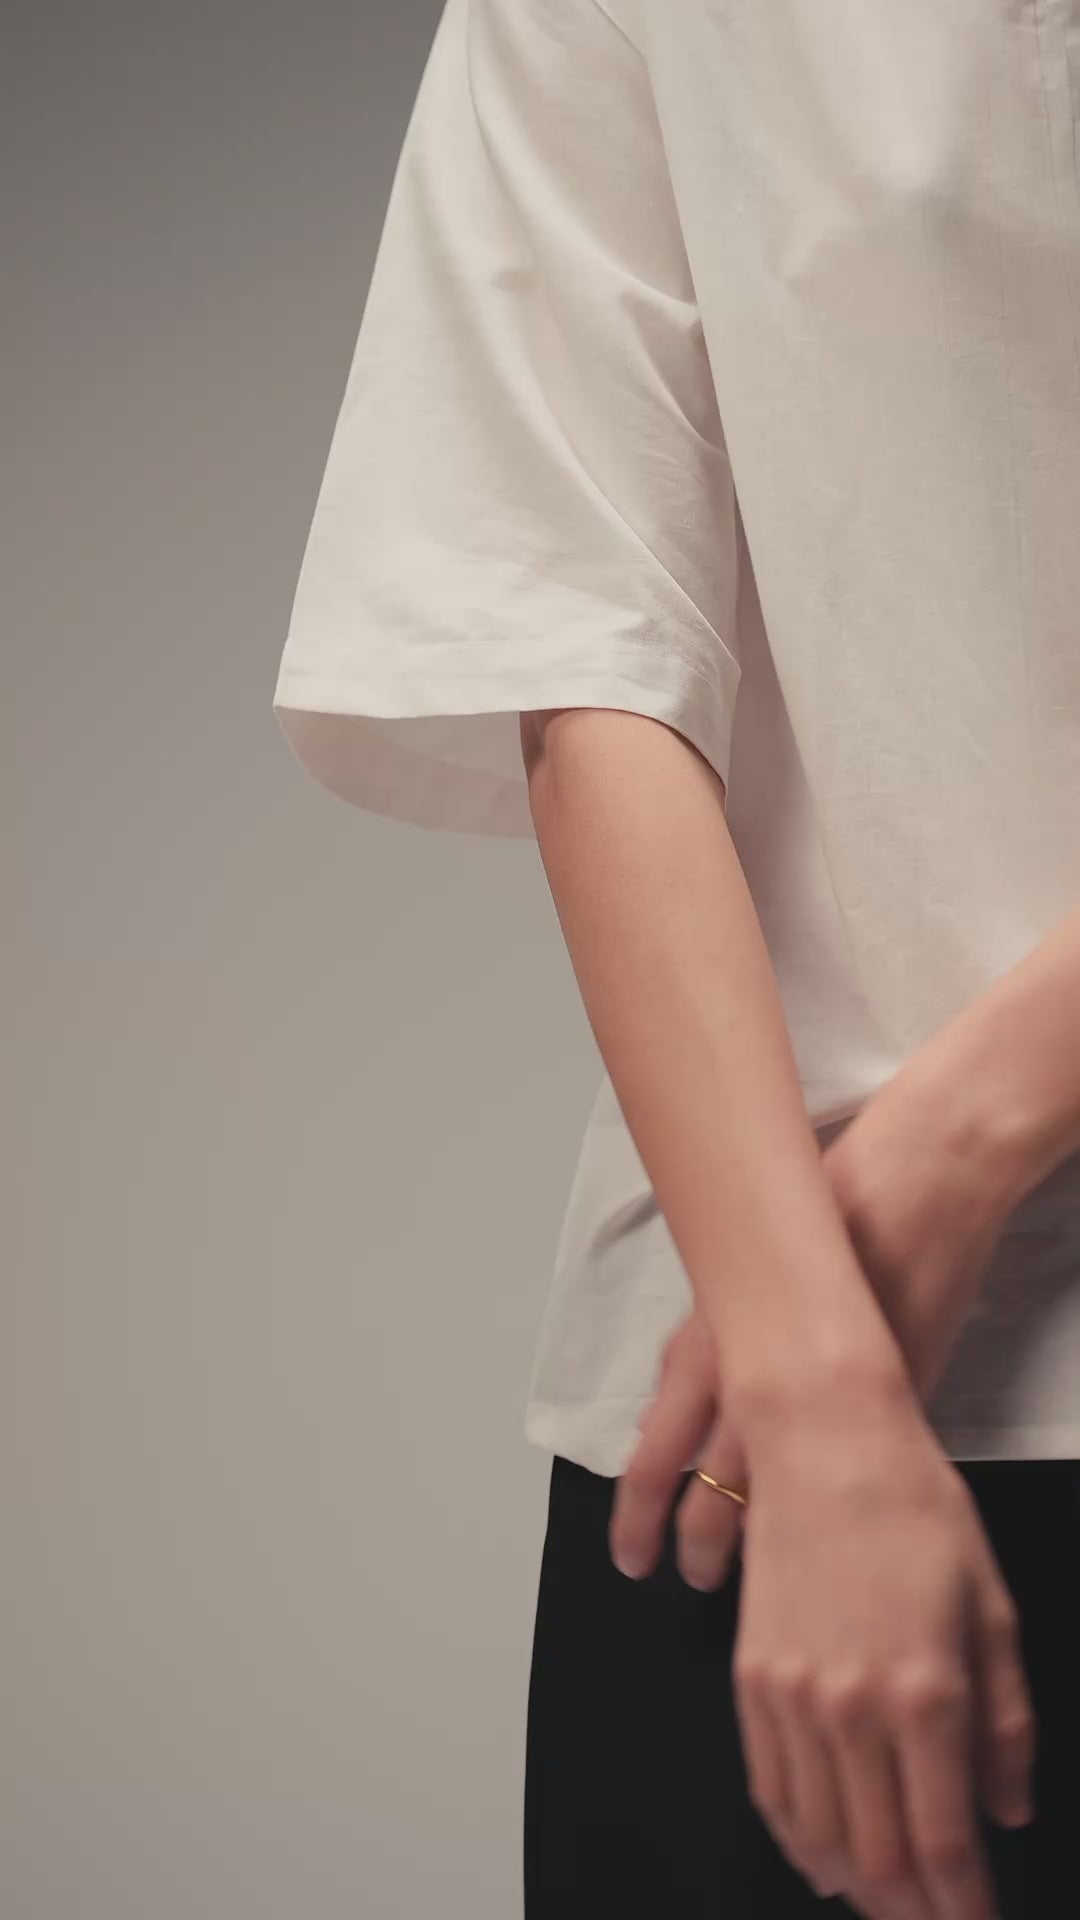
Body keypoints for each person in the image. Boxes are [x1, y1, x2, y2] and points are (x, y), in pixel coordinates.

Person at [271, 2, 1080, 1914]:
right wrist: (819, 1382)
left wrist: (948, 1146)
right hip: (779, 1416)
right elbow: (585, 643)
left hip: (818, 1298)